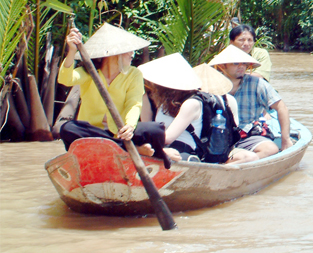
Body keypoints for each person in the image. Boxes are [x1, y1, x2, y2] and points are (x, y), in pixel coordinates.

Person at [55, 24, 169, 164]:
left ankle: (120, 145)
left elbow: (134, 103)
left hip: (120, 133)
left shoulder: (134, 74)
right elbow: (65, 79)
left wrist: (129, 126)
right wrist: (71, 51)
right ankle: (128, 149)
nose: (132, 54)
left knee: (155, 129)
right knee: (68, 128)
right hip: (93, 133)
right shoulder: (89, 71)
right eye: (128, 50)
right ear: (114, 53)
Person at [138, 54, 257, 164]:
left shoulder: (192, 104)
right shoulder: (162, 101)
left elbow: (167, 137)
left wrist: (136, 136)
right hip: (165, 146)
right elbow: (150, 128)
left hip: (185, 151)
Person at [209, 44, 292, 159]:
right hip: (219, 135)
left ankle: (236, 163)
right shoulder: (212, 86)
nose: (241, 67)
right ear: (223, 66)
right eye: (236, 63)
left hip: (247, 135)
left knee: (271, 149)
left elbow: (281, 108)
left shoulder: (257, 83)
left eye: (244, 63)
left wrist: (285, 139)